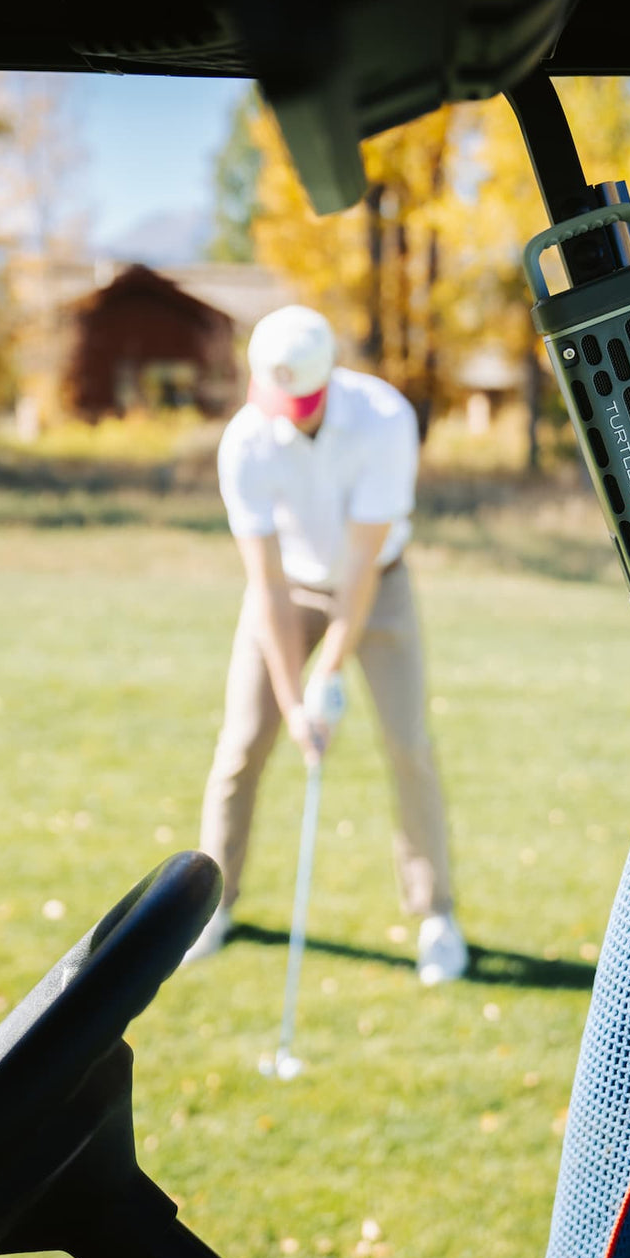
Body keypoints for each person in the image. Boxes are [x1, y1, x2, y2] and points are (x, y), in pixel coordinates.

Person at [183, 304, 468, 986]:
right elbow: (267, 586)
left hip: (380, 586)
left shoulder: (384, 421)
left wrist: (329, 676)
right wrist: (293, 703)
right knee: (243, 743)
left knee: (408, 745)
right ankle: (210, 906)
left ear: (323, 386)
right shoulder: (245, 440)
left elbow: (364, 569)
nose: (283, 414)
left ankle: (437, 916)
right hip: (291, 589)